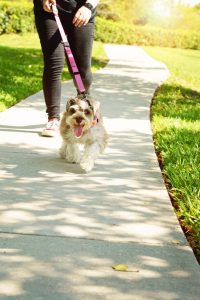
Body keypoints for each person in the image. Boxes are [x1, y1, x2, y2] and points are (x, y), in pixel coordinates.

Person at [33, 0, 99, 136]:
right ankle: (53, 118)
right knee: (53, 63)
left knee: (82, 71)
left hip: (82, 10)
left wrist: (88, 6)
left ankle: (84, 110)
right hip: (50, 10)